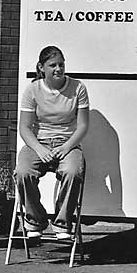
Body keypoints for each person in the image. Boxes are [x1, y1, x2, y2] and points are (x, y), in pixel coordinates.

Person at [15, 45, 90, 240]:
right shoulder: (32, 90)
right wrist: (40, 149)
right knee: (23, 172)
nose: (58, 69)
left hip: (67, 142)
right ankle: (35, 220)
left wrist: (66, 147)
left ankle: (62, 222)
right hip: (39, 142)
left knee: (73, 172)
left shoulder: (78, 88)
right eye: (53, 65)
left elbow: (82, 126)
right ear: (42, 68)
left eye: (61, 65)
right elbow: (24, 127)